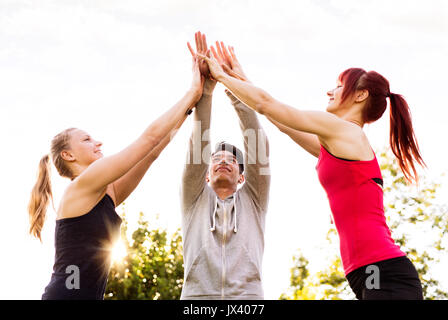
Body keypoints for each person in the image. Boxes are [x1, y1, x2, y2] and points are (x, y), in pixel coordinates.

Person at [199, 44, 424, 300]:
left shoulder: (343, 131)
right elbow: (282, 120)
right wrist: (241, 79)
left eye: (339, 86)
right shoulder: (338, 142)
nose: (330, 91)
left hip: (382, 270)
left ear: (360, 95)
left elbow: (266, 105)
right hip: (370, 272)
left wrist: (220, 75)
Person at [28, 58, 204, 299]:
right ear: (68, 155)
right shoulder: (81, 186)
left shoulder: (104, 193)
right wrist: (191, 92)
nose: (98, 142)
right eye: (87, 139)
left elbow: (151, 153)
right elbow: (148, 140)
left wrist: (190, 107)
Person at [180, 32, 270, 300]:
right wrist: (206, 91)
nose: (222, 162)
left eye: (231, 160)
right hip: (197, 300)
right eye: (216, 159)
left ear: (243, 177)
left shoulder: (255, 200)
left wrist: (231, 85)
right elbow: (198, 145)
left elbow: (258, 148)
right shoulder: (193, 199)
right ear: (205, 176)